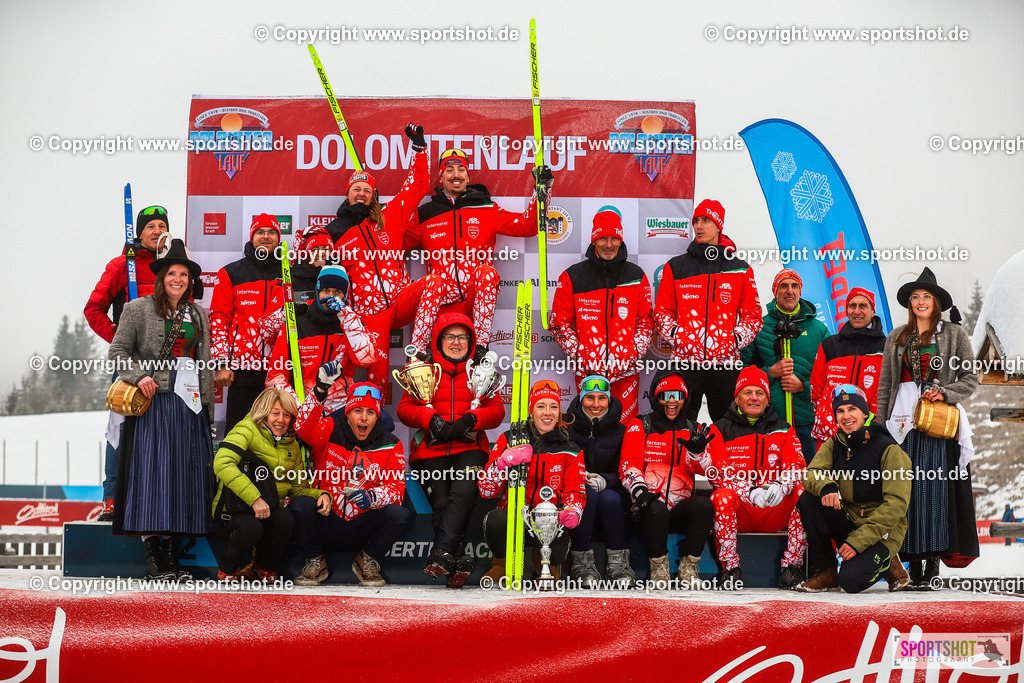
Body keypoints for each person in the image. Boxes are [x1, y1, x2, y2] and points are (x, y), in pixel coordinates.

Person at [108, 239, 215, 580]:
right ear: (161, 277)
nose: (178, 279)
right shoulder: (137, 309)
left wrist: (207, 411)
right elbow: (118, 352)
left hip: (188, 405)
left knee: (182, 479)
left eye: (184, 274)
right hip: (153, 405)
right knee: (152, 477)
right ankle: (152, 556)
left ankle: (172, 556)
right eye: (173, 273)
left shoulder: (199, 314)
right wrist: (139, 377)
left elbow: (205, 365)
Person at [877, 267, 980, 588]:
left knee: (935, 490)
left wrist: (945, 393)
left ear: (936, 302)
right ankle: (911, 561)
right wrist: (880, 426)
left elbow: (970, 379)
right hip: (901, 421)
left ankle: (932, 563)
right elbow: (885, 385)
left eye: (927, 296)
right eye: (915, 297)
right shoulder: (896, 337)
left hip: (937, 420)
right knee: (905, 493)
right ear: (910, 303)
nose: (920, 301)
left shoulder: (955, 335)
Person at [324, 124, 442, 386]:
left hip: (399, 301)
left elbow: (418, 186)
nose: (362, 193)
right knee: (376, 380)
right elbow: (314, 259)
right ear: (348, 193)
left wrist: (419, 149)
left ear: (373, 196)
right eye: (357, 189)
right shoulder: (334, 231)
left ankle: (417, 353)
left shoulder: (388, 217)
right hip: (368, 313)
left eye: (367, 190)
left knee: (435, 281)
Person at [396, 312, 506, 587]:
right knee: (442, 502)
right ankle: (453, 558)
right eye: (450, 337)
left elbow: (498, 410)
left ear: (470, 341)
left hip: (470, 447)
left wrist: (473, 419)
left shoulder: (480, 372)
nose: (456, 342)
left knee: (463, 491)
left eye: (462, 337)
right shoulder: (424, 369)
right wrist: (430, 419)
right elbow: (404, 409)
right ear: (439, 340)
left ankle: (441, 553)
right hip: (430, 451)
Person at [409, 147, 552, 357]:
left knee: (486, 273)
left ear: (468, 176)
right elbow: (395, 244)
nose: (456, 175)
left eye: (461, 170)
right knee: (438, 369)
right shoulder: (425, 214)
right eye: (449, 170)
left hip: (476, 301)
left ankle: (481, 348)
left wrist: (542, 191)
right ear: (440, 177)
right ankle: (416, 354)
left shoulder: (486, 208)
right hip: (439, 304)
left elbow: (528, 226)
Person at [85, 205, 171, 521]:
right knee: (120, 428)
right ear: (140, 231)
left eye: (162, 225)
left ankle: (155, 496)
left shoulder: (172, 266)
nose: (157, 230)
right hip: (130, 364)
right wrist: (120, 340)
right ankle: (111, 497)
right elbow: (93, 309)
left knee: (163, 430)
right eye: (151, 226)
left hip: (166, 365)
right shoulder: (122, 265)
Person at [292, 378, 413, 587]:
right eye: (358, 411)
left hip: (362, 524)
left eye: (371, 412)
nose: (364, 418)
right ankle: (315, 561)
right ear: (347, 412)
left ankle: (366, 559)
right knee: (299, 505)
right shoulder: (329, 428)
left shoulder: (392, 443)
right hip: (328, 518)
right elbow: (302, 428)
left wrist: (372, 497)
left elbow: (396, 490)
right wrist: (319, 391)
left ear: (377, 416)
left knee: (398, 515)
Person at [796, 385, 913, 593]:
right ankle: (827, 572)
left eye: (852, 409)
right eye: (840, 411)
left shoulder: (889, 449)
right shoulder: (835, 443)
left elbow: (896, 506)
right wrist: (826, 487)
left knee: (850, 581)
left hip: (881, 531)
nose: (846, 416)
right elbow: (810, 473)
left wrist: (858, 542)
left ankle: (890, 564)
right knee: (808, 499)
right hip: (851, 522)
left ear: (865, 413)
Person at [654, 199, 762, 423]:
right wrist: (679, 336)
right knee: (680, 424)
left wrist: (733, 339)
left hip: (725, 364)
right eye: (696, 221)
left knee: (730, 426)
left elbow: (753, 316)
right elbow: (662, 312)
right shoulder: (676, 266)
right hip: (685, 362)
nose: (699, 226)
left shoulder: (739, 268)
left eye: (705, 220)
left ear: (718, 225)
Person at [702, 367, 807, 589]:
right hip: (741, 510)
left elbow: (798, 467)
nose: (753, 398)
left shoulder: (784, 429)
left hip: (773, 508)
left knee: (803, 495)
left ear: (767, 399)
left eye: (759, 393)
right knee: (721, 496)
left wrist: (780, 486)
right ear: (737, 398)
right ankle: (730, 569)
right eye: (747, 392)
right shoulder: (718, 429)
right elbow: (717, 473)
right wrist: (749, 492)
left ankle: (791, 569)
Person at [211, 388, 331, 581]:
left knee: (284, 518)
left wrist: (322, 495)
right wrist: (254, 498)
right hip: (231, 511)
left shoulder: (291, 443)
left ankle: (263, 568)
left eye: (286, 415)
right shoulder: (247, 428)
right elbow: (222, 463)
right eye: (275, 413)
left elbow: (298, 488)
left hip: (266, 510)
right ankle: (227, 569)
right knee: (252, 528)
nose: (281, 420)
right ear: (264, 413)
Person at [550, 207, 654, 421]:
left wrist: (633, 352)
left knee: (624, 431)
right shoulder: (573, 276)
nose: (609, 245)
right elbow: (559, 323)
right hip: (589, 374)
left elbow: (646, 321)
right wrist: (581, 353)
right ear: (594, 241)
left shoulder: (636, 275)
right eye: (603, 238)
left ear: (620, 240)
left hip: (626, 375)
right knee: (590, 430)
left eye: (614, 238)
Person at [479, 380, 585, 589]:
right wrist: (502, 462)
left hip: (548, 520)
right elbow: (486, 490)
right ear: (531, 410)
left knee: (559, 540)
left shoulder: (570, 448)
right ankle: (501, 563)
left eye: (553, 407)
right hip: (514, 517)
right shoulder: (510, 439)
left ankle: (546, 565)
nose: (548, 413)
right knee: (496, 519)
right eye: (541, 406)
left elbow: (576, 491)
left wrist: (573, 511)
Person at [619, 369, 715, 589]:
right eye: (666, 395)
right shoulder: (640, 424)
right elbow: (628, 463)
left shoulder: (695, 429)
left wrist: (698, 453)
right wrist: (639, 491)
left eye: (678, 395)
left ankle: (688, 568)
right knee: (656, 508)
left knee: (703, 505)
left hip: (680, 507)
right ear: (656, 397)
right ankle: (659, 568)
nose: (672, 401)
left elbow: (710, 472)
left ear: (685, 398)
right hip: (647, 508)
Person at [741, 269, 829, 461]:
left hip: (808, 421)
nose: (789, 291)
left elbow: (830, 378)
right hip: (770, 420)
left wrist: (803, 387)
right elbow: (742, 375)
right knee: (771, 481)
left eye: (794, 286)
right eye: (784, 286)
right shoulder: (759, 327)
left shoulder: (819, 329)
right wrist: (770, 373)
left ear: (800, 291)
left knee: (809, 481)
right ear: (775, 291)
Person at [265, 264, 376, 413]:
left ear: (345, 295)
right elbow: (275, 376)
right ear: (317, 291)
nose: (331, 296)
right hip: (302, 405)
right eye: (325, 291)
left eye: (338, 292)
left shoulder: (352, 324)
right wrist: (297, 406)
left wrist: (346, 316)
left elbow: (365, 360)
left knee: (385, 422)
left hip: (340, 408)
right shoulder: (297, 323)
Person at [210, 213, 285, 434]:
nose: (265, 236)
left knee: (276, 434)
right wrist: (222, 363)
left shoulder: (289, 272)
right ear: (252, 237)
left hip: (280, 369)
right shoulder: (231, 272)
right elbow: (219, 318)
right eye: (260, 232)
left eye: (271, 232)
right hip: (241, 370)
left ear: (278, 238)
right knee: (238, 435)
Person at [565, 375, 636, 587]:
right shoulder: (567, 429)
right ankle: (581, 563)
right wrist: (580, 479)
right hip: (576, 495)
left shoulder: (622, 431)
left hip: (613, 498)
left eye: (602, 398)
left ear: (609, 400)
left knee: (609, 498)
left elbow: (628, 468)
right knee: (589, 495)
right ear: (580, 400)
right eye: (590, 398)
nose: (596, 405)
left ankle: (618, 565)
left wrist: (605, 479)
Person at [809, 287, 885, 450]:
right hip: (829, 435)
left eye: (863, 306)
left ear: (873, 311)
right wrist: (826, 416)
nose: (857, 311)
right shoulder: (829, 345)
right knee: (824, 475)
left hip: (868, 433)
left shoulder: (886, 347)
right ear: (846, 310)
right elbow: (816, 391)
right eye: (852, 306)